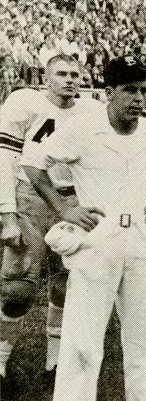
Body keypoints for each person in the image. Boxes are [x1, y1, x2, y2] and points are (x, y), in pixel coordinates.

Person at [22, 55, 146, 401]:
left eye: (145, 90)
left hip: (140, 237)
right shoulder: (83, 127)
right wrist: (63, 208)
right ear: (108, 92)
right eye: (130, 90)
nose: (139, 98)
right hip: (99, 235)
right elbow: (32, 162)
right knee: (84, 332)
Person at [0, 54, 102, 384]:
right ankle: (0, 360)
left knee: (66, 285)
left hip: (74, 199)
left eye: (75, 73)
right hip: (30, 197)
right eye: (61, 73)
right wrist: (8, 216)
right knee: (17, 289)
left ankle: (55, 364)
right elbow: (5, 159)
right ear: (46, 78)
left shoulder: (91, 110)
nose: (69, 79)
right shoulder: (24, 103)